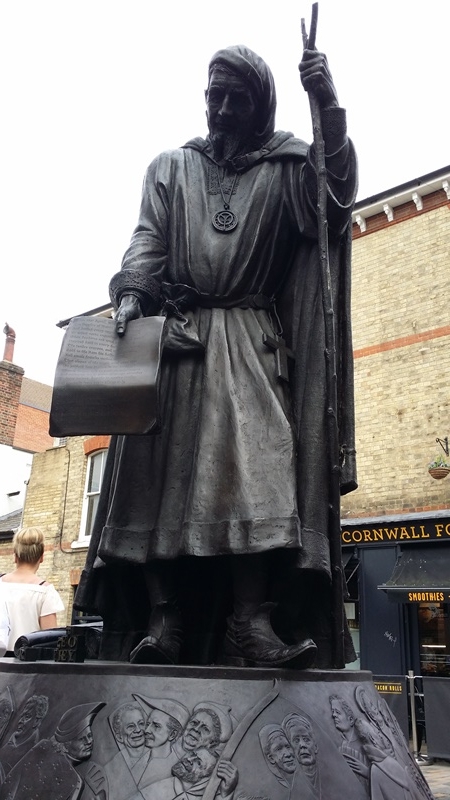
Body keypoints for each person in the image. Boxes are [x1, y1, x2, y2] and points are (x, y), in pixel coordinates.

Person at [75, 42, 357, 669]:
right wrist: (132, 292)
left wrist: (327, 104)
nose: (224, 109)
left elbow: (333, 204)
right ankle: (164, 619)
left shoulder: (286, 167)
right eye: (215, 95)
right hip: (175, 341)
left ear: (262, 106)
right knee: (153, 475)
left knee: (261, 469)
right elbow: (147, 241)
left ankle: (249, 622)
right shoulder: (170, 167)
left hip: (251, 341)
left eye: (238, 99)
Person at [0, 528, 64, 653]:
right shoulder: (45, 592)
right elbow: (49, 641)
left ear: (15, 556)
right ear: (41, 557)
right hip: (24, 661)